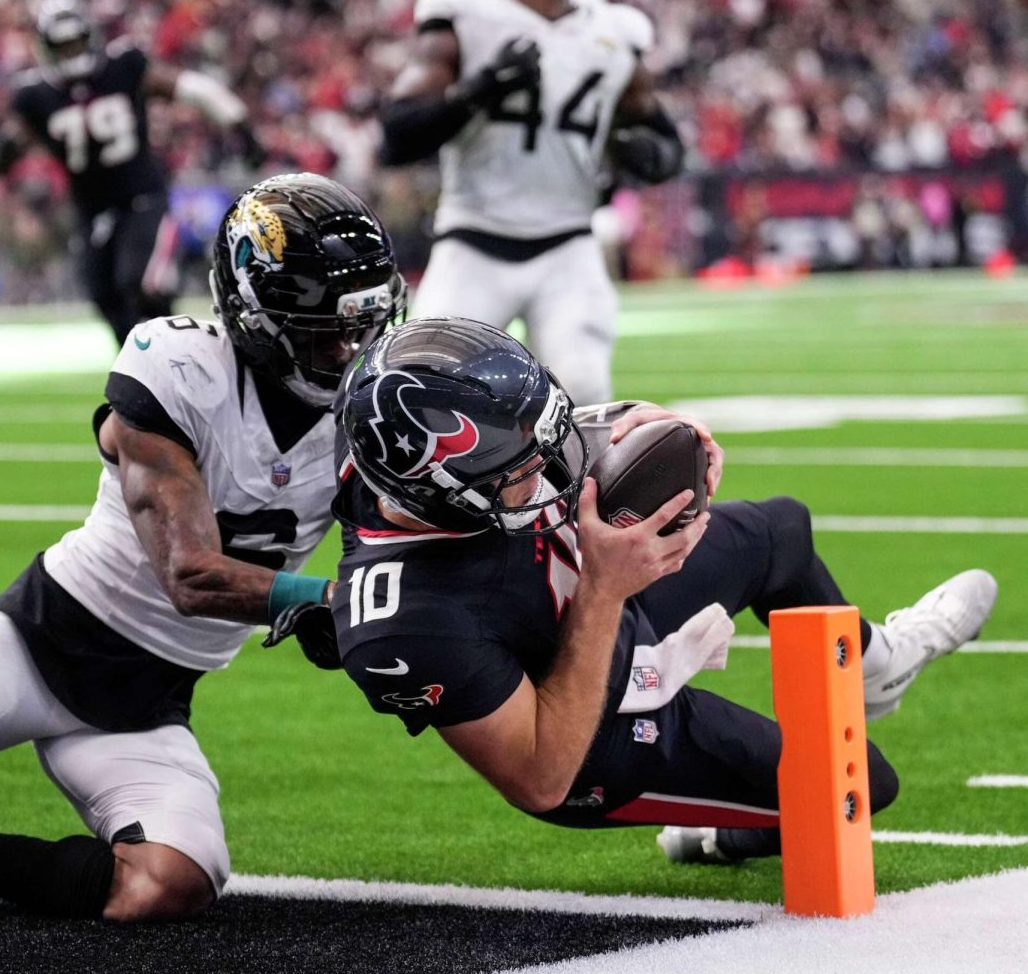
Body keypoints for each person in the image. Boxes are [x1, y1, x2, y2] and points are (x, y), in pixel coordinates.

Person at [267, 317, 996, 866]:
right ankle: (717, 834)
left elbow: (535, 438)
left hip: (587, 586)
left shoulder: (392, 431)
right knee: (859, 784)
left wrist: (643, 428)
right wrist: (608, 591)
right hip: (592, 732)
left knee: (781, 532)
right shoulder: (402, 627)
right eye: (520, 471)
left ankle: (875, 666)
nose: (547, 471)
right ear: (437, 493)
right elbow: (540, 775)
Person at [0, 173, 406, 922]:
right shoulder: (177, 366)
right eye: (323, 330)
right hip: (35, 644)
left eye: (362, 324)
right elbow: (189, 574)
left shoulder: (372, 406)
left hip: (147, 705)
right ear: (254, 314)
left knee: (172, 880)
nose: (349, 348)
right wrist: (314, 600)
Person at [378, 0, 684, 406]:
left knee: (584, 390)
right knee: (422, 393)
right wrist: (479, 90)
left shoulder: (610, 30)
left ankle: (571, 494)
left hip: (568, 245)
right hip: (472, 242)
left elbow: (668, 146)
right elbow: (398, 135)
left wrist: (647, 156)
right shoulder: (467, 14)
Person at [0, 0, 265, 346]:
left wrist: (239, 126)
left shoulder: (122, 67)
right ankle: (146, 374)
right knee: (105, 298)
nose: (70, 53)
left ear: (91, 37)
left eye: (75, 43)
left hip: (142, 199)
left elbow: (192, 89)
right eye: (61, 47)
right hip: (91, 211)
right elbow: (12, 144)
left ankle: (184, 352)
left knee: (141, 284)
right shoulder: (35, 96)